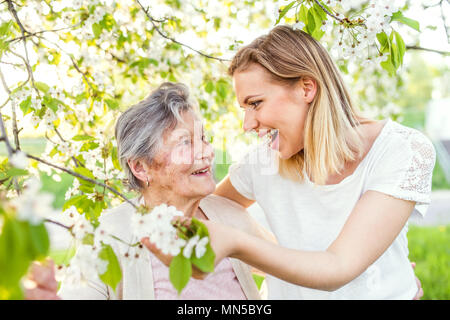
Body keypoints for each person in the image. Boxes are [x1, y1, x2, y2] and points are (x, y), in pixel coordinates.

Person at [145, 25, 433, 299]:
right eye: (244, 108)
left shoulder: (401, 150)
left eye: (255, 103)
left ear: (307, 88)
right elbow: (206, 214)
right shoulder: (262, 163)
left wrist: (385, 276)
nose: (247, 124)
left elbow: (340, 265)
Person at [25, 82, 274, 300]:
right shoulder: (108, 235)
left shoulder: (230, 216)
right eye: (185, 143)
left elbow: (290, 271)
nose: (207, 152)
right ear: (140, 167)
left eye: (204, 139)